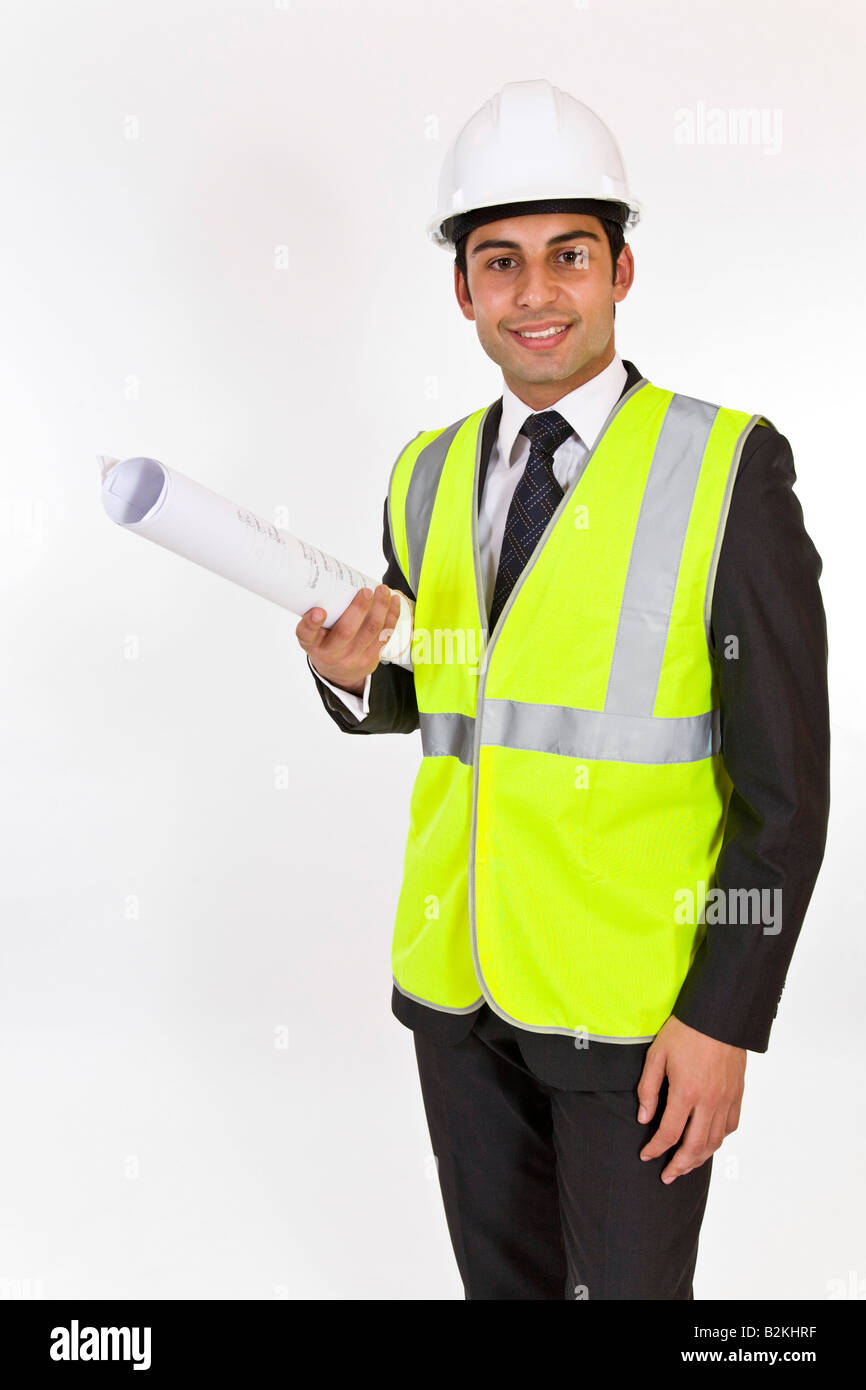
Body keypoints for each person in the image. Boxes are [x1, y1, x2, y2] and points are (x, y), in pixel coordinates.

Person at [295, 79, 830, 1300]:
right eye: (501, 264)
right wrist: (350, 674)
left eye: (567, 257)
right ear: (463, 290)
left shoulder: (725, 469)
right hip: (457, 991)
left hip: (634, 1014)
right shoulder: (424, 474)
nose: (534, 294)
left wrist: (724, 1020)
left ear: (620, 272)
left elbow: (783, 791)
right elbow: (445, 688)